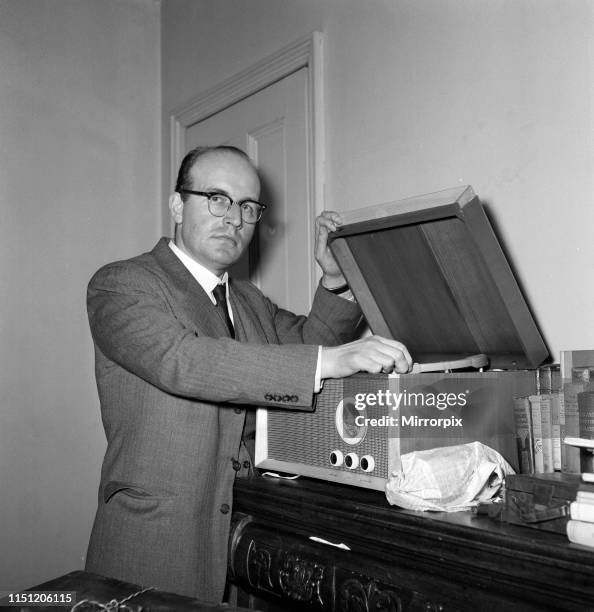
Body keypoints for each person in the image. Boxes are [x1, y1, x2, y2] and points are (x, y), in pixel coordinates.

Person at [85, 145, 412, 603]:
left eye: (247, 207)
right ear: (178, 205)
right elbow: (183, 361)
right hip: (154, 545)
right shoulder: (121, 283)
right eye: (216, 198)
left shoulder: (248, 300)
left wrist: (336, 279)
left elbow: (307, 344)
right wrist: (331, 361)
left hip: (246, 538)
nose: (234, 219)